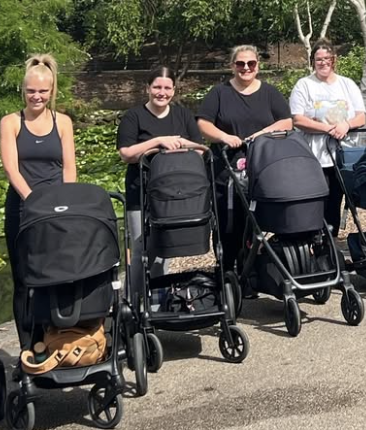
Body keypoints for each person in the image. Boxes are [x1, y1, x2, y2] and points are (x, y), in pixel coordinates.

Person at [0, 54, 77, 343]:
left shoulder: (63, 122)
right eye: (31, 91)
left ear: (52, 91)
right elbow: (11, 168)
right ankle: (28, 346)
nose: (37, 96)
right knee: (24, 280)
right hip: (23, 208)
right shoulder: (11, 122)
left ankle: (59, 336)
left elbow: (69, 167)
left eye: (43, 91)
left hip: (56, 209)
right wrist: (33, 202)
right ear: (24, 90)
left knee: (58, 275)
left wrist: (66, 203)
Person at [196, 45, 292, 272]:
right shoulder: (219, 93)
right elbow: (203, 124)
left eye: (251, 63)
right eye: (240, 64)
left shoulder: (269, 92)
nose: (246, 68)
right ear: (232, 66)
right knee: (229, 224)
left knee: (259, 220)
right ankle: (228, 271)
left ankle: (254, 271)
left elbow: (286, 122)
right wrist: (225, 137)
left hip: (262, 167)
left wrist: (261, 134)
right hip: (226, 170)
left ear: (258, 65)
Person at [117, 66, 205, 308]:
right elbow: (126, 153)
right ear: (147, 88)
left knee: (166, 247)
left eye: (167, 88)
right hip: (141, 192)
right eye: (157, 87)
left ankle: (159, 302)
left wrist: (180, 146)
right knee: (139, 248)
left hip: (174, 195)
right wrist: (157, 142)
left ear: (174, 90)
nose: (161, 92)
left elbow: (199, 149)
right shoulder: (133, 117)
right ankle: (133, 303)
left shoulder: (183, 116)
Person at [289, 40, 366, 236]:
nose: (323, 63)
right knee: (315, 202)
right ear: (312, 61)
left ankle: (330, 247)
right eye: (318, 59)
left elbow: (361, 116)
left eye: (326, 59)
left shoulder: (346, 84)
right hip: (314, 157)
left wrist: (346, 125)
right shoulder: (304, 85)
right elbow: (297, 119)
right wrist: (326, 128)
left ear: (333, 60)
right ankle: (312, 243)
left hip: (341, 156)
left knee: (334, 202)